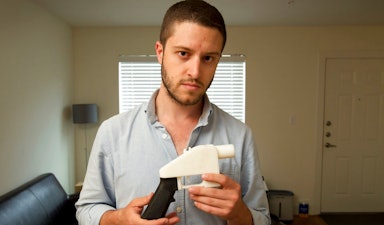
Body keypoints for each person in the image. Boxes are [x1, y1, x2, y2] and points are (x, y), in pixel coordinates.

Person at [75, 1, 270, 225]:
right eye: (183, 53)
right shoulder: (112, 133)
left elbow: (263, 218)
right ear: (160, 52)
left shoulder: (240, 136)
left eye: (208, 58)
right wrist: (118, 219)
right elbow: (86, 209)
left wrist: (240, 214)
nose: (195, 72)